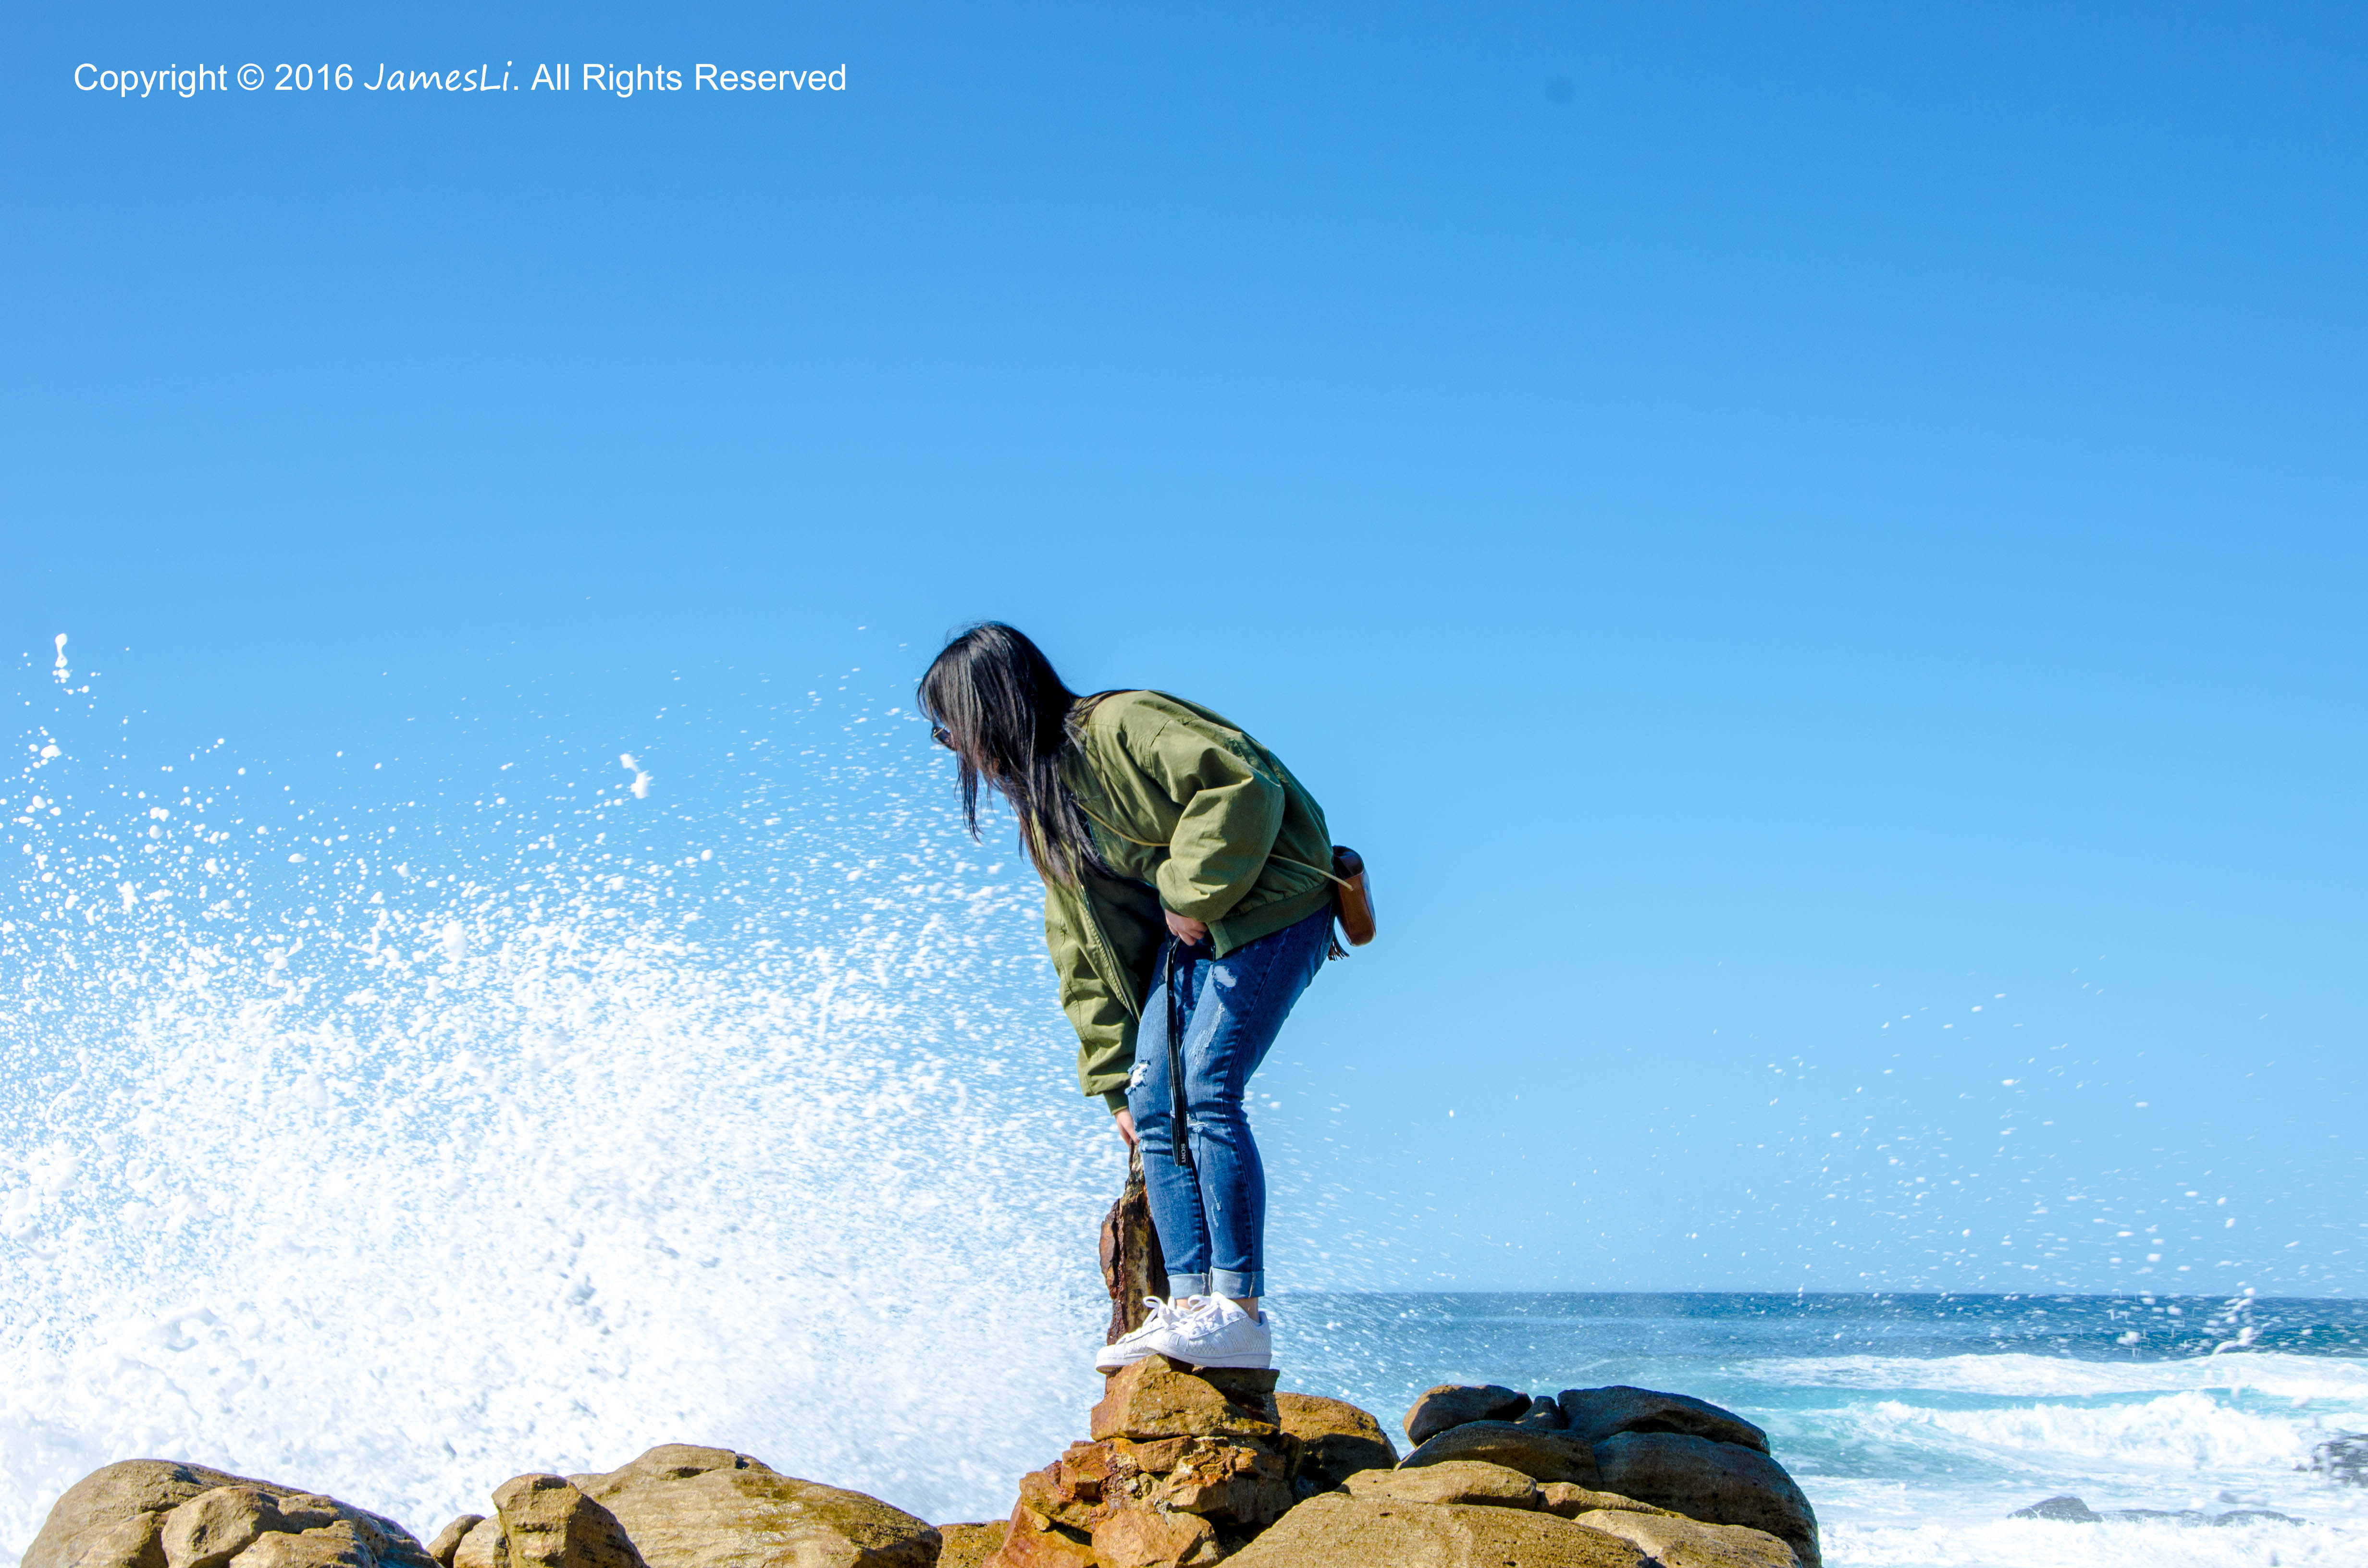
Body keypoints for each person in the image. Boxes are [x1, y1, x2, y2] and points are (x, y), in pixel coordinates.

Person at [918, 624, 1338, 1372]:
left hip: (1278, 905)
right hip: (1200, 940)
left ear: (991, 706)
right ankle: (1187, 1310)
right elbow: (1079, 955)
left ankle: (1239, 1314)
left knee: (1208, 1089)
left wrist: (1188, 892)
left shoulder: (1120, 724)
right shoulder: (1045, 810)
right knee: (1153, 1107)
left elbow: (1241, 784)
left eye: (950, 727)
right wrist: (1113, 1079)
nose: (952, 746)